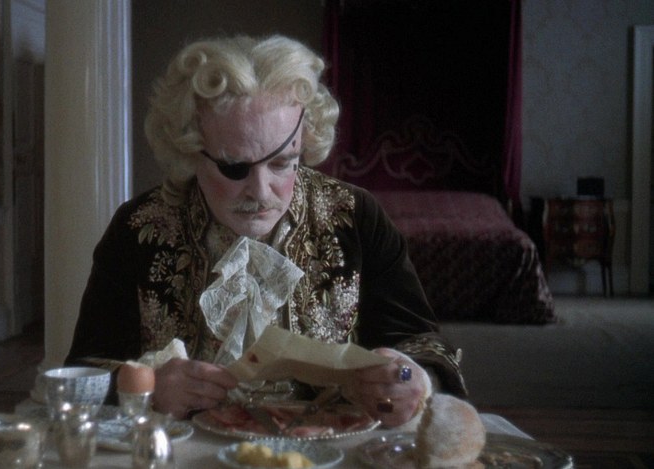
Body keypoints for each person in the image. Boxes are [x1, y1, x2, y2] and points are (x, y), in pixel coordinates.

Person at [66, 35, 466, 428]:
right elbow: (82, 371)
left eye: (282, 163)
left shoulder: (356, 218)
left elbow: (423, 345)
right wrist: (148, 388)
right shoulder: (140, 228)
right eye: (234, 167)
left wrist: (411, 380)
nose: (260, 192)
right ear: (189, 149)